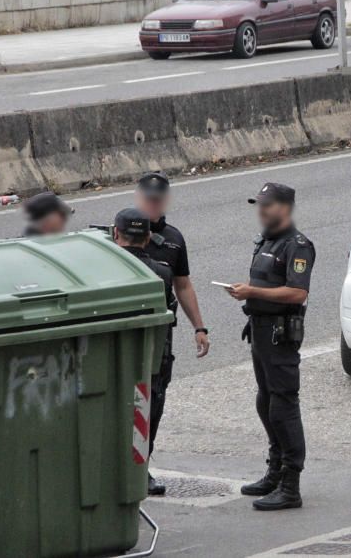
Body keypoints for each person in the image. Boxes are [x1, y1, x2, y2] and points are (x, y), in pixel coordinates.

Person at [226, 182, 314, 511]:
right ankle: (275, 470)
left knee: (283, 406)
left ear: (285, 208)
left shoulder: (298, 245)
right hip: (261, 331)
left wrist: (252, 292)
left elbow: (297, 293)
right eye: (259, 204)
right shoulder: (267, 240)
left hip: (280, 335)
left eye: (268, 205)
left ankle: (291, 485)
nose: (261, 210)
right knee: (265, 402)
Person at [134, 171, 211, 496]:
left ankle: (141, 468)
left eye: (157, 199)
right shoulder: (120, 233)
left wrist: (199, 327)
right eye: (147, 198)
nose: (152, 204)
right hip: (125, 338)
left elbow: (183, 285)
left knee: (154, 404)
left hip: (159, 340)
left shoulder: (174, 240)